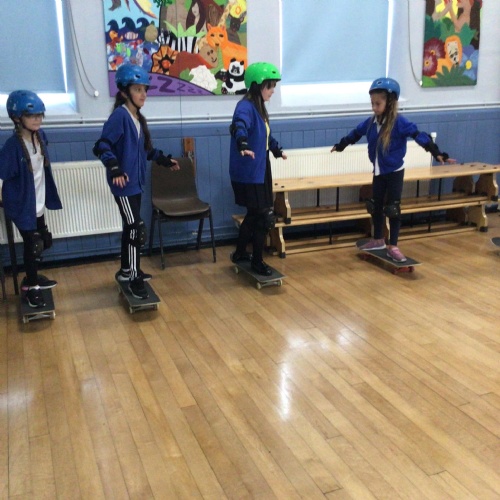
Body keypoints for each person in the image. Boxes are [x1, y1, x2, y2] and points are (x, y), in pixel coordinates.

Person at [331, 77, 456, 262]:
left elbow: (418, 135)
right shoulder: (371, 123)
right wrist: (341, 145)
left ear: (390, 103)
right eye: (372, 103)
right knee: (375, 206)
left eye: (378, 104)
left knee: (393, 208)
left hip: (395, 171)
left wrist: (436, 153)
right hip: (379, 172)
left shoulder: (399, 122)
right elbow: (355, 134)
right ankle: (378, 240)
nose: (374, 108)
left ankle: (393, 246)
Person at [93, 63, 179, 299]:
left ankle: (125, 271)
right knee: (135, 228)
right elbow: (102, 146)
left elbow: (146, 150)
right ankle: (133, 278)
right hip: (123, 185)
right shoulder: (120, 116)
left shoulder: (137, 118)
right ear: (124, 91)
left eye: (145, 89)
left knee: (130, 227)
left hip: (135, 184)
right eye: (137, 89)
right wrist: (115, 168)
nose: (143, 94)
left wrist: (164, 160)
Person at [0, 90, 62, 308]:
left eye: (39, 115)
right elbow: (2, 174)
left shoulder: (40, 136)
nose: (37, 119)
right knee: (32, 244)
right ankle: (31, 288)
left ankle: (31, 276)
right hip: (21, 203)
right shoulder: (13, 146)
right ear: (17, 118)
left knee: (43, 240)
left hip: (38, 200)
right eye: (31, 115)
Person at [229, 62, 287, 276]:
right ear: (256, 85)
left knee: (255, 214)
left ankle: (240, 253)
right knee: (264, 215)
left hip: (260, 168)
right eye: (270, 86)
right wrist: (243, 144)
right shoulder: (245, 107)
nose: (273, 90)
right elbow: (239, 126)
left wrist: (276, 150)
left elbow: (265, 135)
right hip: (249, 170)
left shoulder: (259, 108)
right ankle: (257, 261)